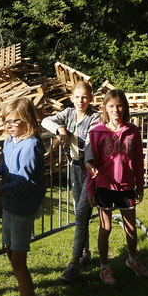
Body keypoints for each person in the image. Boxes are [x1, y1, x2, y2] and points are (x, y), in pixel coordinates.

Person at [0, 98, 47, 296]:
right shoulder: (9, 141)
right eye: (7, 121)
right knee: (9, 251)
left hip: (22, 208)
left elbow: (24, 181)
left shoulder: (31, 146)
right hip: (9, 204)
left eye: (16, 121)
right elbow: (5, 168)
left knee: (18, 260)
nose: (10, 125)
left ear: (28, 121)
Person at [84, 88, 148, 284]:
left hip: (127, 187)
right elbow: (91, 165)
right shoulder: (96, 132)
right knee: (105, 227)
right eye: (111, 106)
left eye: (119, 106)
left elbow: (138, 160)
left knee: (131, 227)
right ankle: (104, 267)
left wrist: (140, 186)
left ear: (125, 107)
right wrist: (90, 189)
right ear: (105, 107)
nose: (116, 110)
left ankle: (133, 260)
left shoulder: (133, 131)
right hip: (104, 187)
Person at [41, 80, 99, 282]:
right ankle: (85, 253)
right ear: (71, 98)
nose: (81, 101)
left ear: (90, 99)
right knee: (80, 212)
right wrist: (61, 130)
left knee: (81, 213)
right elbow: (45, 121)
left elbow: (91, 142)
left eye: (85, 97)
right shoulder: (68, 114)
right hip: (74, 168)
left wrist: (89, 164)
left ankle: (74, 263)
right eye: (77, 97)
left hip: (90, 170)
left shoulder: (95, 118)